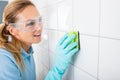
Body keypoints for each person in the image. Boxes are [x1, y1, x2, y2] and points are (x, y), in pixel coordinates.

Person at [0, 0, 79, 80]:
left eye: (39, 20)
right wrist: (57, 70)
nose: (39, 27)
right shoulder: (4, 60)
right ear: (13, 30)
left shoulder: (27, 50)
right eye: (31, 23)